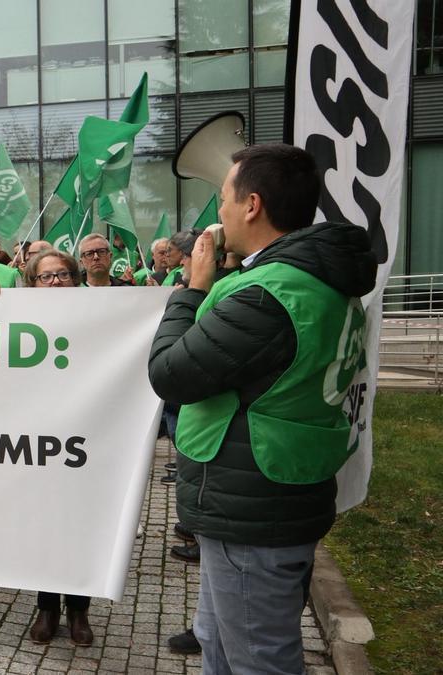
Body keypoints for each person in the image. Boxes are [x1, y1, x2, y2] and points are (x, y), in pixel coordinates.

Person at [148, 143, 376, 673]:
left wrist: (192, 288)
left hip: (251, 502)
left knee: (258, 658)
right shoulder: (319, 280)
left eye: (222, 198)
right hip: (271, 488)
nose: (218, 213)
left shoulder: (266, 294)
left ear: (251, 205)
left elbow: (171, 373)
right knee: (223, 645)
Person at [19, 249, 95, 646]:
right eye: (45, 277)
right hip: (36, 443)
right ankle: (47, 608)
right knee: (45, 528)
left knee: (77, 527)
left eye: (62, 275)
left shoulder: (97, 318)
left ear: (75, 278)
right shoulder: (17, 319)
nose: (55, 283)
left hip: (83, 441)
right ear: (31, 284)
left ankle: (79, 611)